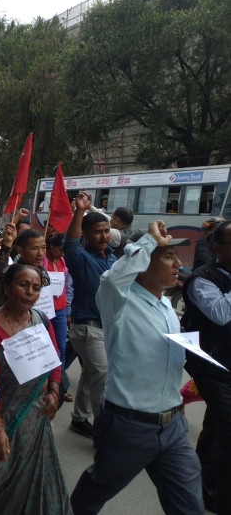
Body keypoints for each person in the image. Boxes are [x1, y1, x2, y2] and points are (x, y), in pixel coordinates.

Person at [71, 221, 203, 515]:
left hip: (171, 425)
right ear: (142, 264)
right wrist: (148, 242)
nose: (178, 264)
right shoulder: (119, 302)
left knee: (188, 501)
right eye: (168, 256)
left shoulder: (166, 306)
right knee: (94, 492)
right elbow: (111, 280)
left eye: (176, 257)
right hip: (129, 426)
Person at [0, 263, 69, 514]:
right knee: (4, 482)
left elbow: (54, 359)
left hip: (36, 416)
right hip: (7, 418)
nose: (30, 292)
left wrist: (54, 391)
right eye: (23, 285)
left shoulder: (40, 320)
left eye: (36, 287)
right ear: (6, 288)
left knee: (41, 482)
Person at [182, 220, 231, 513]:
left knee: (217, 427)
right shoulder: (202, 280)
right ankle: (219, 497)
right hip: (211, 365)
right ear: (216, 248)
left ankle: (203, 487)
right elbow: (221, 314)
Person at [63, 192, 116, 438]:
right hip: (87, 328)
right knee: (103, 376)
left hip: (109, 328)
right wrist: (79, 211)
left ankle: (79, 418)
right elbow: (70, 243)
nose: (104, 236)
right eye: (97, 232)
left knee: (90, 374)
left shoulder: (113, 257)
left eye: (106, 231)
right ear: (85, 234)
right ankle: (106, 433)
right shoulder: (79, 257)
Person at [43, 232, 74, 404]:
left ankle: (59, 383)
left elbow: (68, 287)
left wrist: (67, 310)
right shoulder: (42, 262)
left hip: (60, 310)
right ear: (51, 246)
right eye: (60, 249)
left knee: (60, 347)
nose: (63, 253)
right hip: (44, 310)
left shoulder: (62, 262)